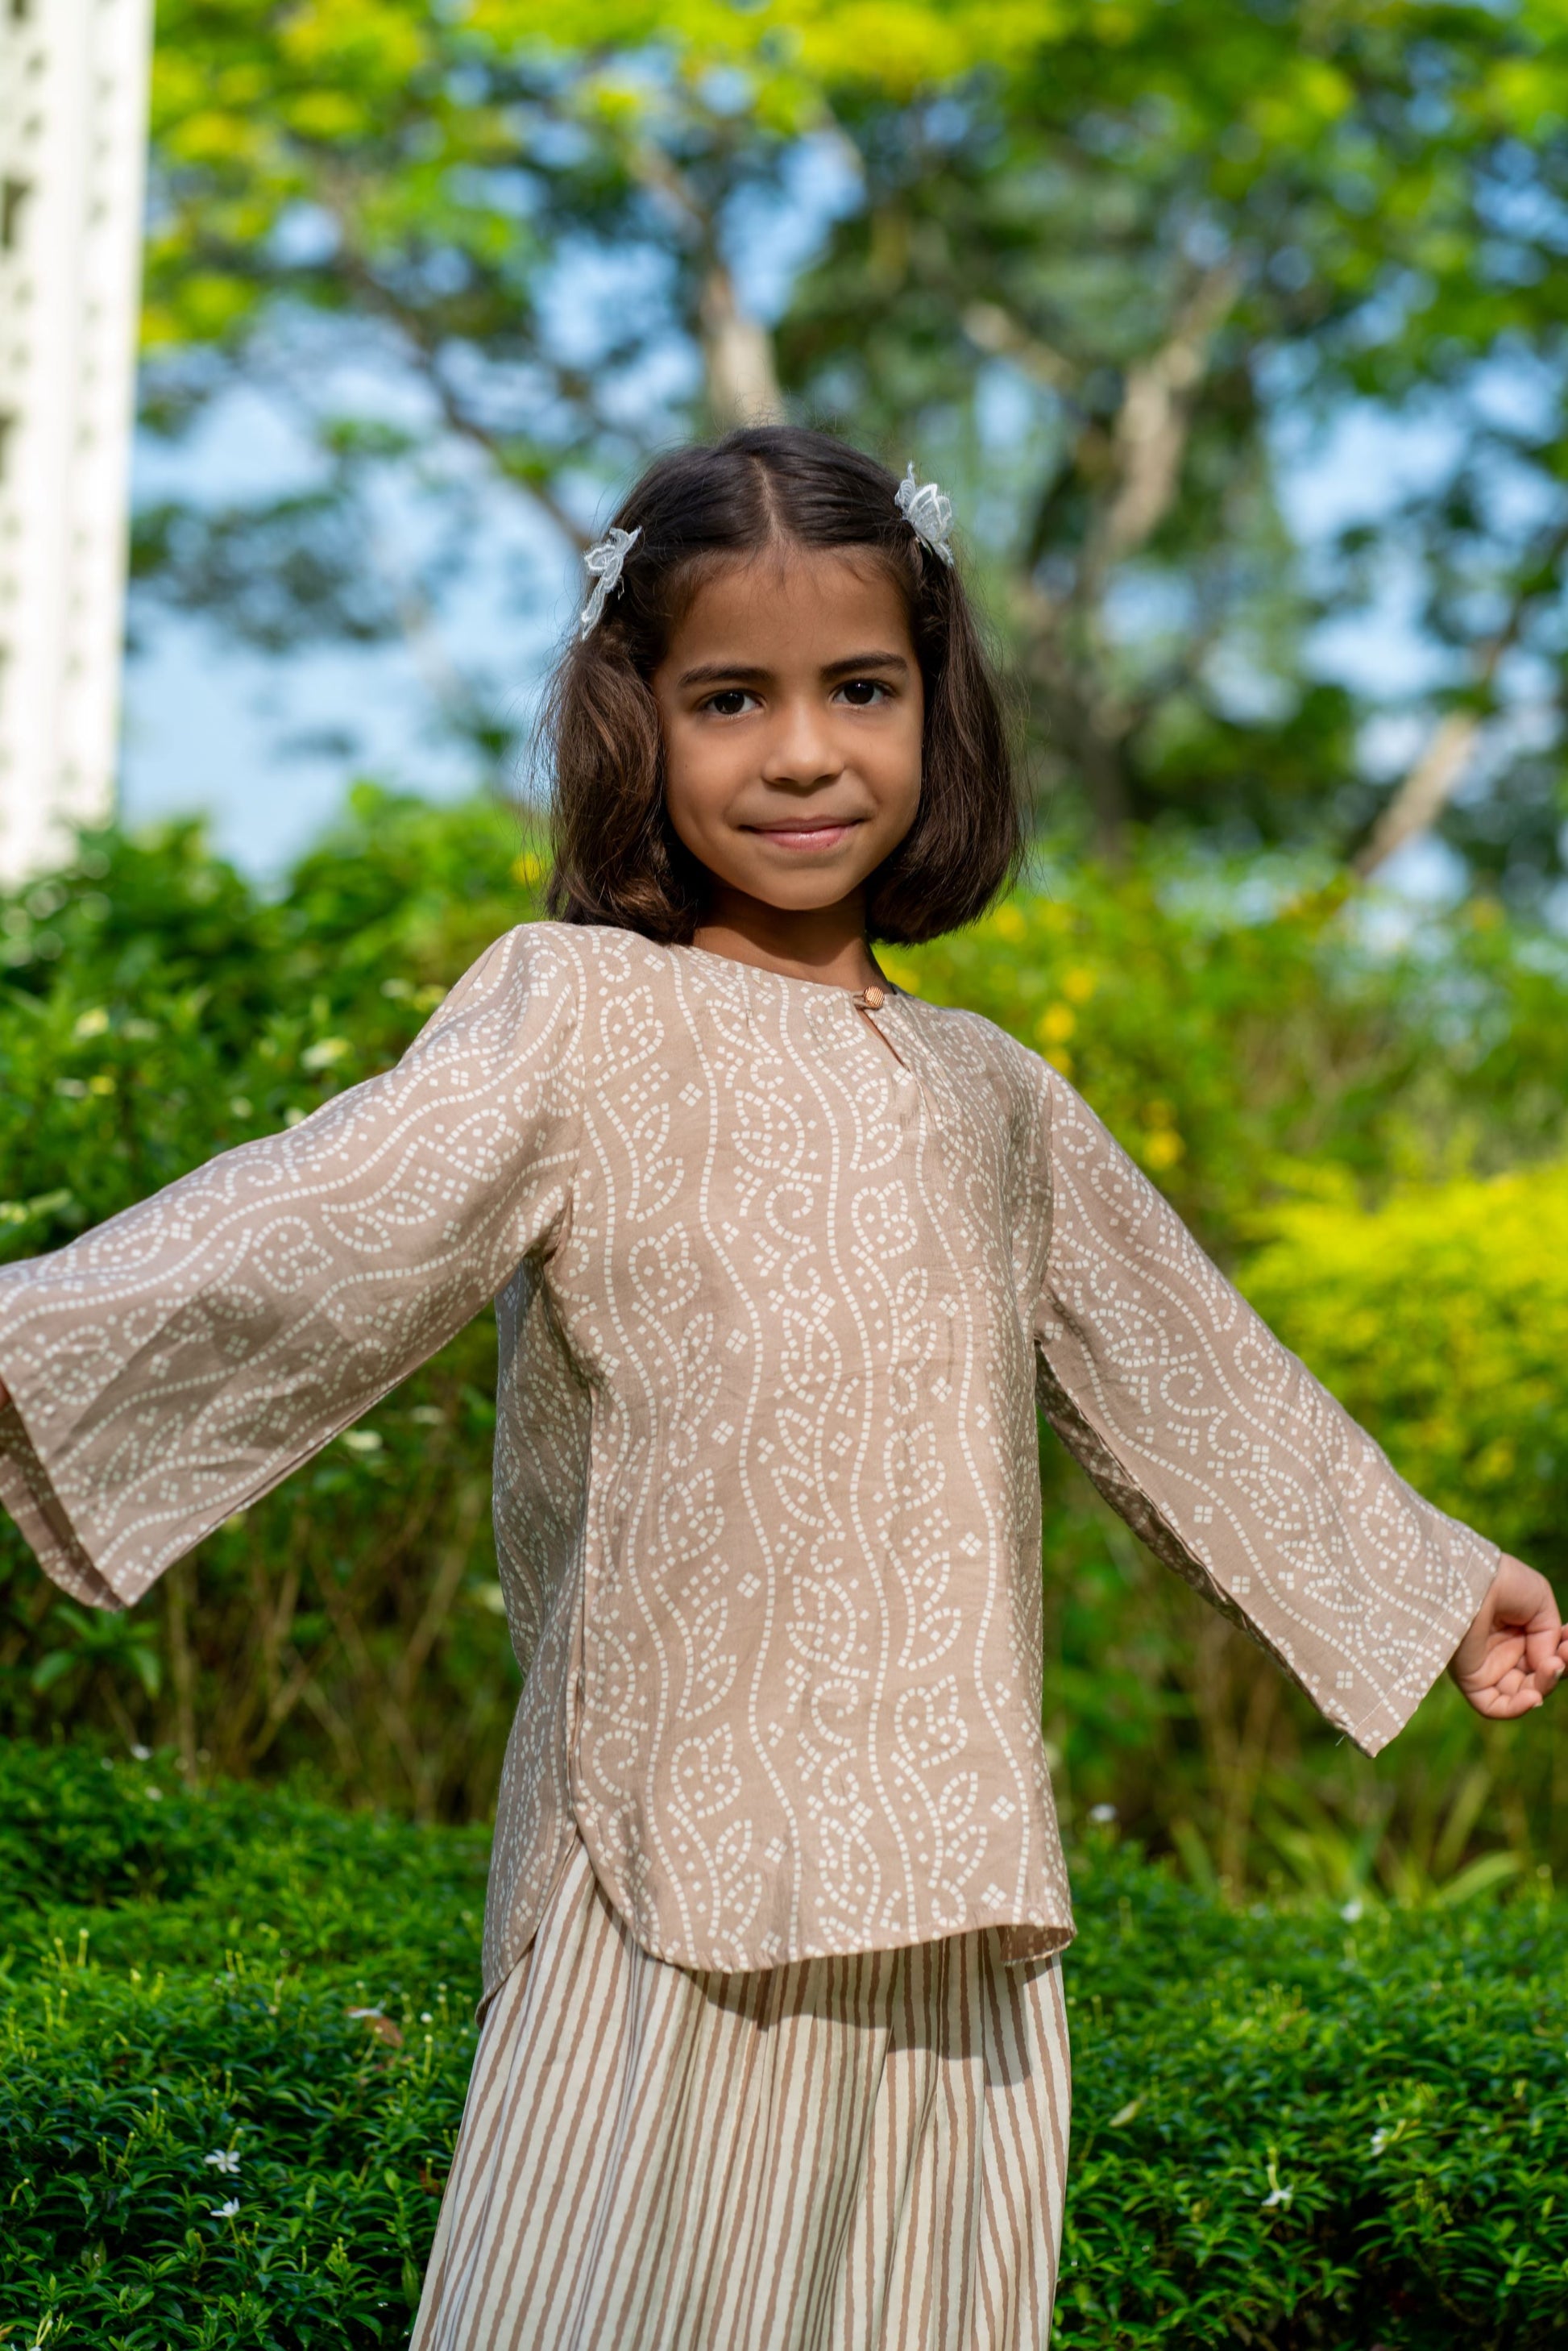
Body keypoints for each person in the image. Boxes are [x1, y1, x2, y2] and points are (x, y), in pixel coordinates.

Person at [0, 426, 1562, 2351]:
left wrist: (1433, 1577)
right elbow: (325, 1219)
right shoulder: (581, 1012)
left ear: (936, 708)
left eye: (861, 690)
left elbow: (1193, 1375)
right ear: (635, 720)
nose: (804, 752)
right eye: (731, 697)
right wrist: (31, 1343)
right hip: (663, 1866)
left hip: (954, 1899)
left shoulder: (996, 1096)